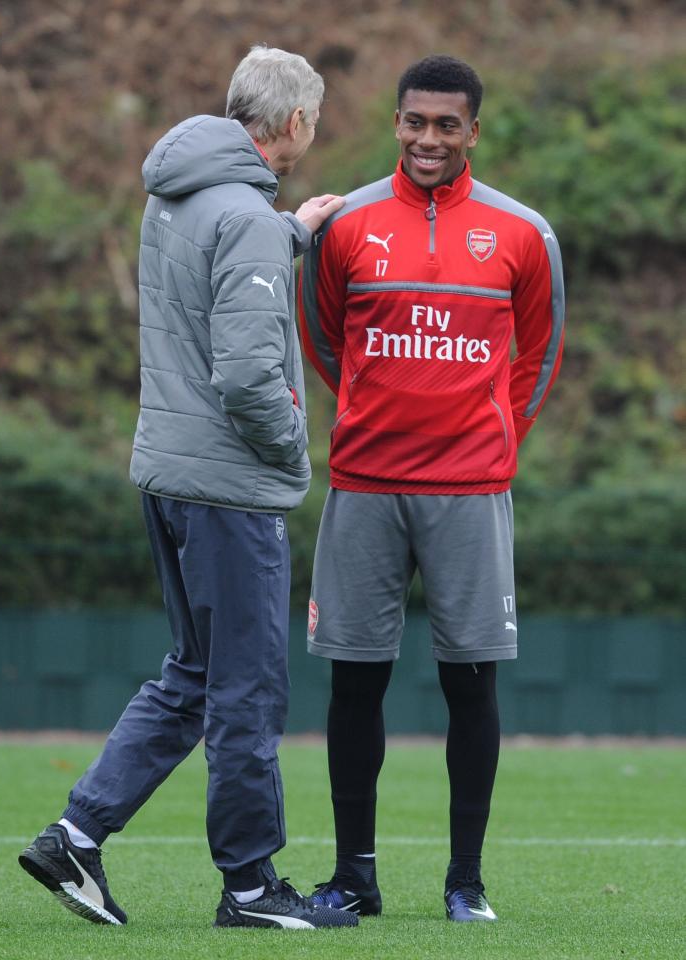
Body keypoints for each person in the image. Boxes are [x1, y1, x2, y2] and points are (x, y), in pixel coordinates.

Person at [18, 45, 356, 931]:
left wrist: (292, 228)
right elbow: (248, 375)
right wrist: (292, 448)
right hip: (229, 489)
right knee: (247, 692)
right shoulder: (243, 214)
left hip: (167, 473)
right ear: (290, 124)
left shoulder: (178, 193)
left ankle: (74, 837)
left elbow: (206, 281)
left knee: (194, 677)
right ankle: (249, 888)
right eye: (311, 123)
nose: (310, 138)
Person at [299, 54, 565, 923]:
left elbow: (538, 354)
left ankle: (466, 883)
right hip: (366, 486)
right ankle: (354, 879)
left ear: (474, 131)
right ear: (397, 122)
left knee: (472, 686)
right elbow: (324, 338)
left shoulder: (523, 233)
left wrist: (491, 435)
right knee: (353, 686)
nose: (427, 138)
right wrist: (376, 414)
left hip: (470, 488)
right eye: (415, 121)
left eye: (447, 124)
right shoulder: (347, 225)